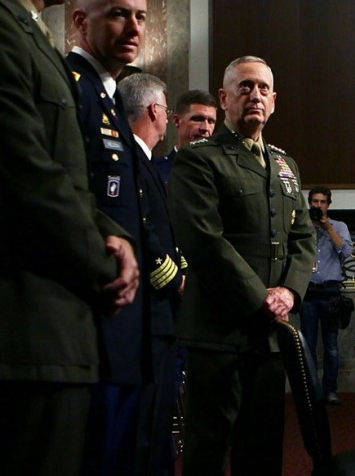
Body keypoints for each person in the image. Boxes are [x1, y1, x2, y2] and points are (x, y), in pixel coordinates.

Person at [0, 0, 138, 475]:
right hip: (27, 328)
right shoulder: (6, 32)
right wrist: (104, 260)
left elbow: (66, 177)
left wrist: (112, 232)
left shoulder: (30, 36)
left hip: (54, 328)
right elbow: (25, 173)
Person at [168, 55, 315, 476]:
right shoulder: (200, 159)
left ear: (274, 101)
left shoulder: (285, 165)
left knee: (262, 450)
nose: (255, 95)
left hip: (271, 336)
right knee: (208, 450)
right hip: (218, 333)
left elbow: (304, 238)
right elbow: (203, 239)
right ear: (224, 98)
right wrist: (260, 297)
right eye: (245, 86)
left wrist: (289, 292)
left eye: (263, 88)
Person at [67, 0, 151, 475]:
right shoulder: (72, 88)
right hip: (94, 310)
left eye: (140, 16)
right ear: (81, 21)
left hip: (122, 320)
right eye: (119, 14)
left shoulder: (111, 96)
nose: (134, 27)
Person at [118, 73, 187, 476]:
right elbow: (145, 235)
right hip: (150, 313)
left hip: (154, 314)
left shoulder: (138, 159)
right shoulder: (132, 160)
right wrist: (176, 281)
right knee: (148, 426)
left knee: (156, 427)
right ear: (155, 110)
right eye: (166, 108)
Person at [300, 186, 353, 406]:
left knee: (331, 346)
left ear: (328, 205)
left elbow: (346, 252)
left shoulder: (339, 226)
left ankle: (330, 389)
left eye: (322, 202)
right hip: (308, 293)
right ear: (309, 203)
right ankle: (312, 391)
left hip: (331, 293)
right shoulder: (302, 226)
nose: (318, 205)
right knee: (308, 345)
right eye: (315, 201)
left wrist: (327, 226)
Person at [154, 88, 217, 183]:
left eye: (211, 121)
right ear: (177, 121)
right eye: (197, 119)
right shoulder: (155, 170)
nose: (205, 128)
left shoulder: (221, 173)